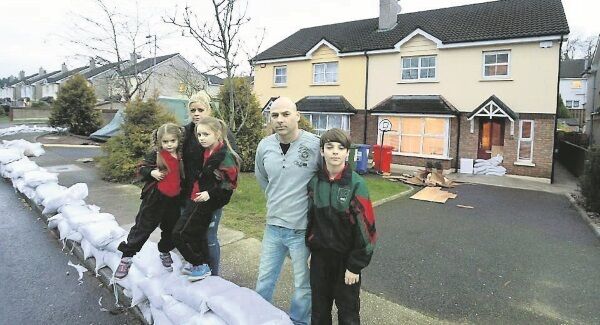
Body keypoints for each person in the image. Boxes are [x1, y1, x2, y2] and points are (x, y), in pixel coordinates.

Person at [254, 96, 320, 325]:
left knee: (303, 284)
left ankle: (299, 321)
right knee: (264, 279)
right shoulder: (265, 146)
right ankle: (259, 317)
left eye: (285, 114)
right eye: (274, 115)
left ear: (297, 116)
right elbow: (262, 178)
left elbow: (325, 179)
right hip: (273, 226)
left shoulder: (314, 145)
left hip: (301, 229)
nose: (280, 120)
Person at [306, 128, 377, 325]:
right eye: (329, 147)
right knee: (319, 312)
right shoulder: (314, 183)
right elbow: (312, 221)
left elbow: (367, 231)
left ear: (347, 152)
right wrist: (313, 249)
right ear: (322, 151)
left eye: (340, 147)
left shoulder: (356, 185)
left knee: (348, 313)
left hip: (346, 263)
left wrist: (354, 266)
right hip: (320, 261)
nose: (335, 152)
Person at [173, 116, 240, 281]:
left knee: (179, 234)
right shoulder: (206, 151)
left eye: (205, 134)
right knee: (198, 235)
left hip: (206, 201)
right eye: (199, 134)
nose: (201, 138)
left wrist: (210, 194)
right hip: (195, 197)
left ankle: (200, 265)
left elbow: (230, 184)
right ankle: (200, 265)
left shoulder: (224, 156)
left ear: (217, 134)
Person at [114, 123, 185, 279]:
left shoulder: (181, 156)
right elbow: (141, 168)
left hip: (174, 200)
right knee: (142, 228)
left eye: (172, 141)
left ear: (178, 140)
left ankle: (164, 250)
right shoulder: (156, 154)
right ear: (159, 142)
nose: (169, 145)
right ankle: (126, 257)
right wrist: (151, 172)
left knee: (171, 229)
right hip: (155, 199)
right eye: (165, 142)